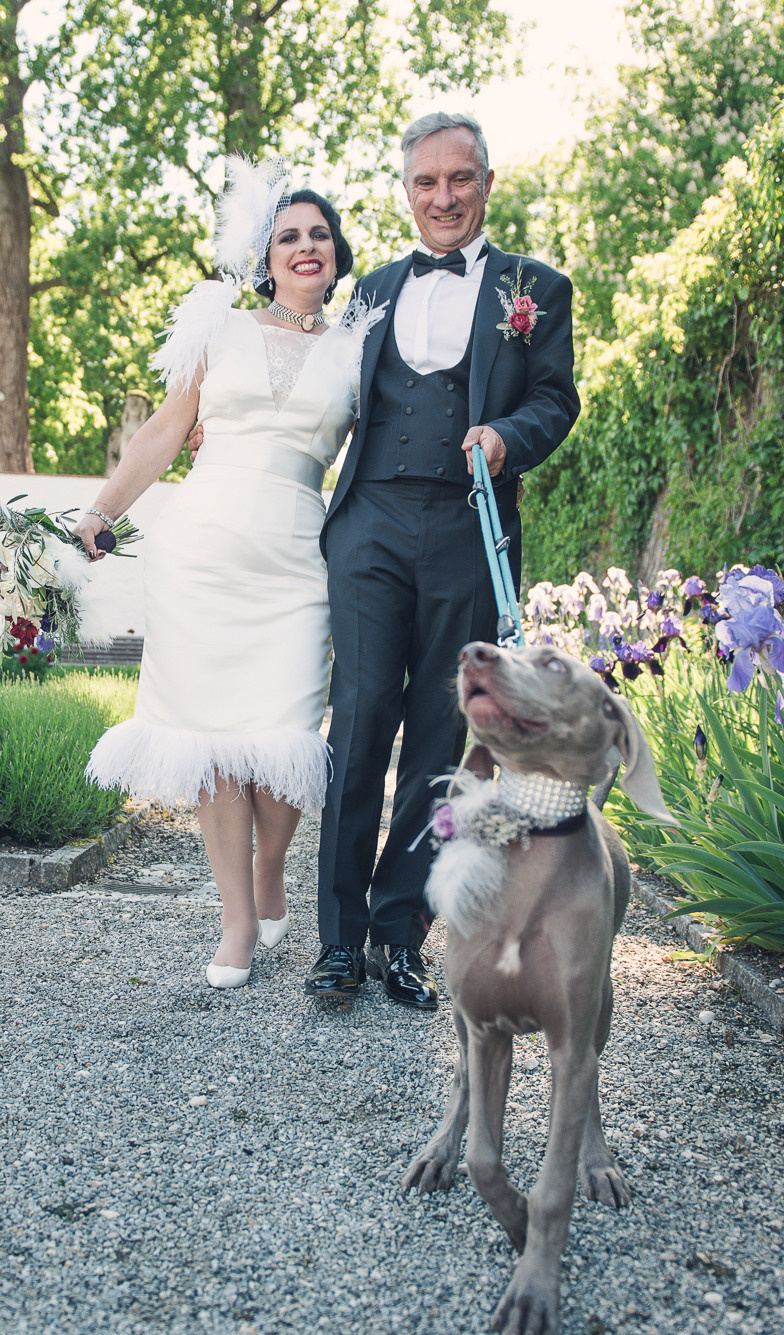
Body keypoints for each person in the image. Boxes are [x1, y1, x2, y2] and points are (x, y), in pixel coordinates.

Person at [76, 161, 383, 990]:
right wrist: (102, 509)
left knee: (284, 733)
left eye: (319, 234)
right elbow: (165, 433)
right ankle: (236, 916)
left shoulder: (362, 351)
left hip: (297, 560)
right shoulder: (219, 329)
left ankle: (272, 863)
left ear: (337, 251)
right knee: (215, 737)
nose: (306, 246)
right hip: (203, 552)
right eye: (289, 236)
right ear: (265, 255)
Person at [306, 111, 580, 1009]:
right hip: (372, 523)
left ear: (486, 184)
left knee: (435, 731)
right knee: (359, 716)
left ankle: (398, 935)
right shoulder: (372, 290)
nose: (443, 198)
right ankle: (338, 940)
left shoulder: (536, 287)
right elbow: (319, 393)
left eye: (459, 180)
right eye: (426, 183)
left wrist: (504, 437)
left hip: (468, 525)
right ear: (408, 194)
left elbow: (555, 400)